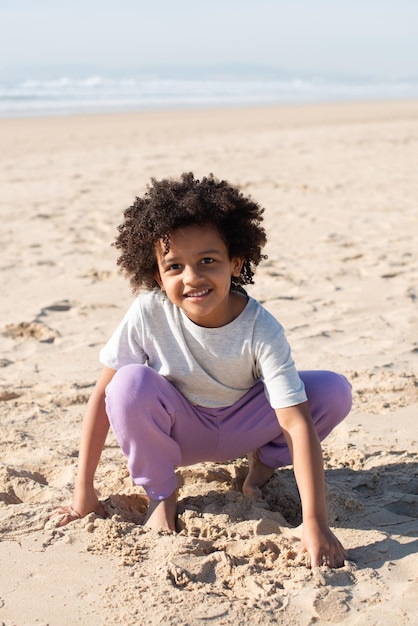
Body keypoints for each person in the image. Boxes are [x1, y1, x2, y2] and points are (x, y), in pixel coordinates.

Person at [57, 172, 352, 569]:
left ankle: (260, 470)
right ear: (157, 276)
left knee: (332, 390)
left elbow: (296, 422)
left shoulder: (261, 327)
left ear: (236, 262)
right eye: (174, 266)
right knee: (127, 384)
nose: (192, 277)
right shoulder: (148, 311)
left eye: (207, 261)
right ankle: (163, 496)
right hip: (181, 433)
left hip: (245, 425)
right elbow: (102, 399)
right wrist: (83, 490)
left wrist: (314, 521)